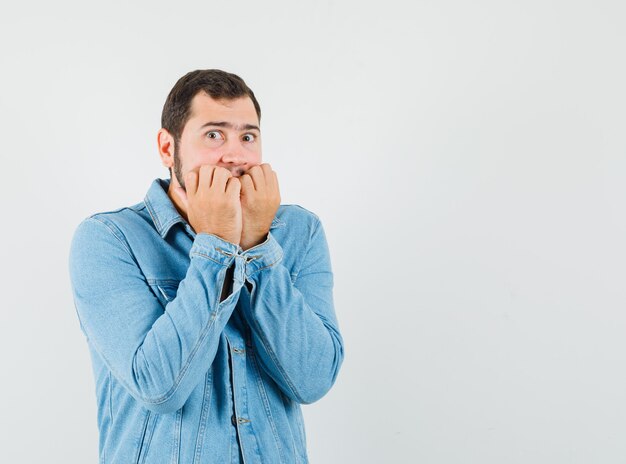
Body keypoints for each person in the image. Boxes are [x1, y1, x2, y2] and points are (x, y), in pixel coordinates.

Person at [68, 69, 344, 463]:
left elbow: (313, 380)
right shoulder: (108, 239)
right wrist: (216, 244)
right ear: (168, 148)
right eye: (214, 135)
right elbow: (159, 387)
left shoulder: (301, 231)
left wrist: (257, 246)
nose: (235, 154)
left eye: (247, 136)